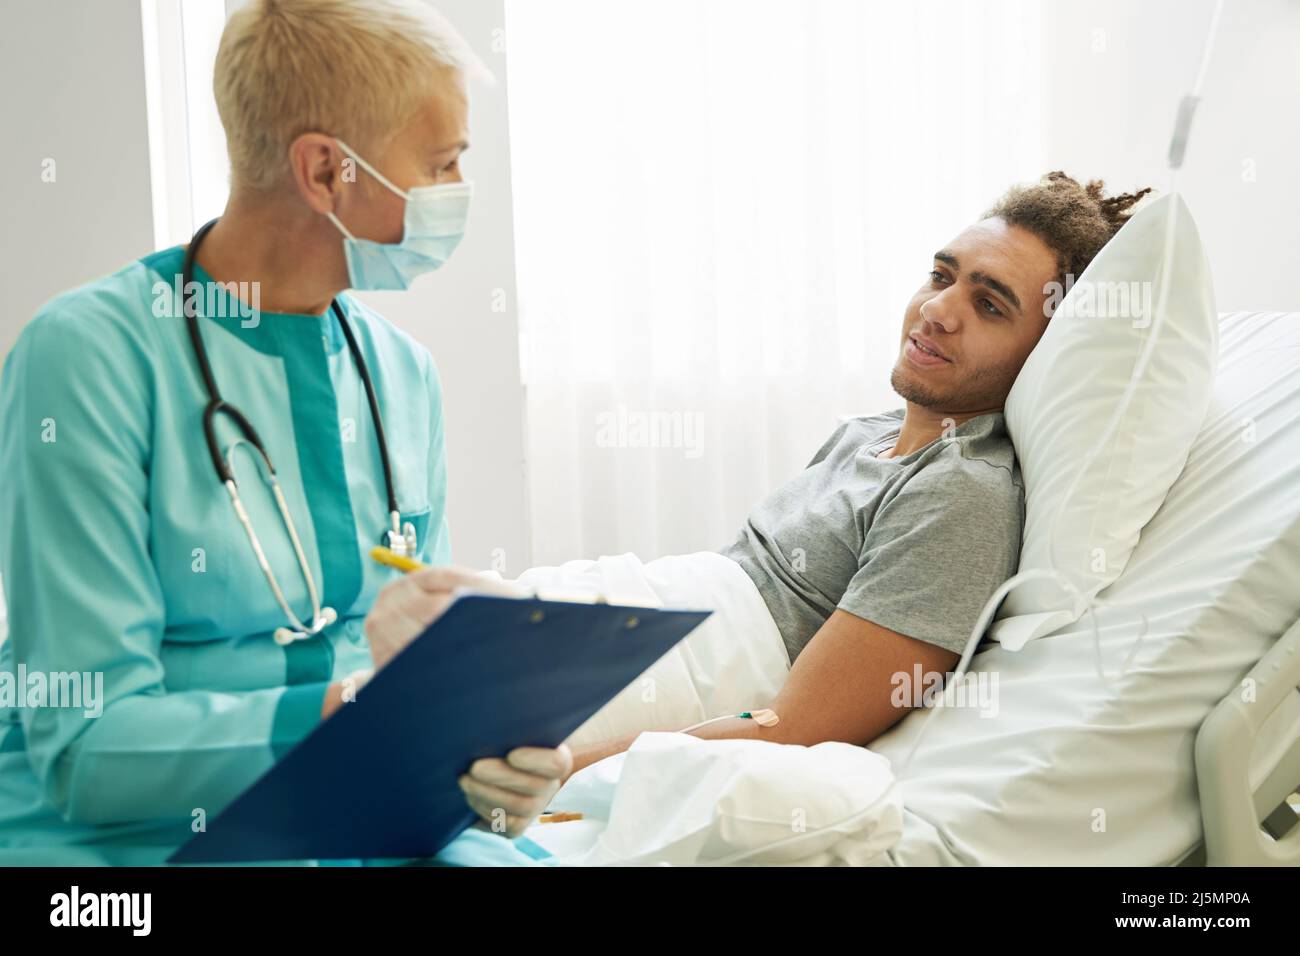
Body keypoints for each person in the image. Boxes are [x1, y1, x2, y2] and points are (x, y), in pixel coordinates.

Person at [0, 0, 567, 866]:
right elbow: (87, 750)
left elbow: (412, 673)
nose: (457, 193)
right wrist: (341, 715)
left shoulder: (398, 373)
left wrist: (491, 758)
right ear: (325, 171)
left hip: (361, 798)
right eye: (442, 162)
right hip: (136, 834)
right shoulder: (87, 356)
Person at [553, 172, 1154, 776]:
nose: (938, 310)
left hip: (667, 670)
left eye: (990, 305)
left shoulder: (962, 493)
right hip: (635, 612)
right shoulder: (867, 433)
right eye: (941, 277)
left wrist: (571, 769)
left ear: (1043, 352)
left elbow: (789, 730)